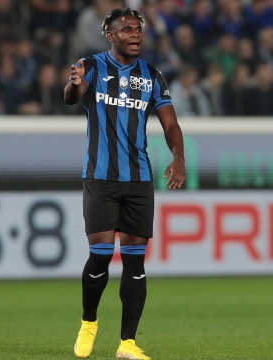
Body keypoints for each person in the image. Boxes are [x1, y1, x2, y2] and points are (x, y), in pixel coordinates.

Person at [63, 7, 185, 360]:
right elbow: (73, 96)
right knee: (100, 255)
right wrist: (73, 84)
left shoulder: (151, 75)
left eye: (138, 29)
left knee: (135, 261)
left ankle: (127, 344)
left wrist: (178, 155)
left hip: (139, 179)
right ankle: (89, 322)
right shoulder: (93, 65)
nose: (135, 34)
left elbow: (171, 124)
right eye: (126, 29)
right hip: (100, 176)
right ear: (111, 35)